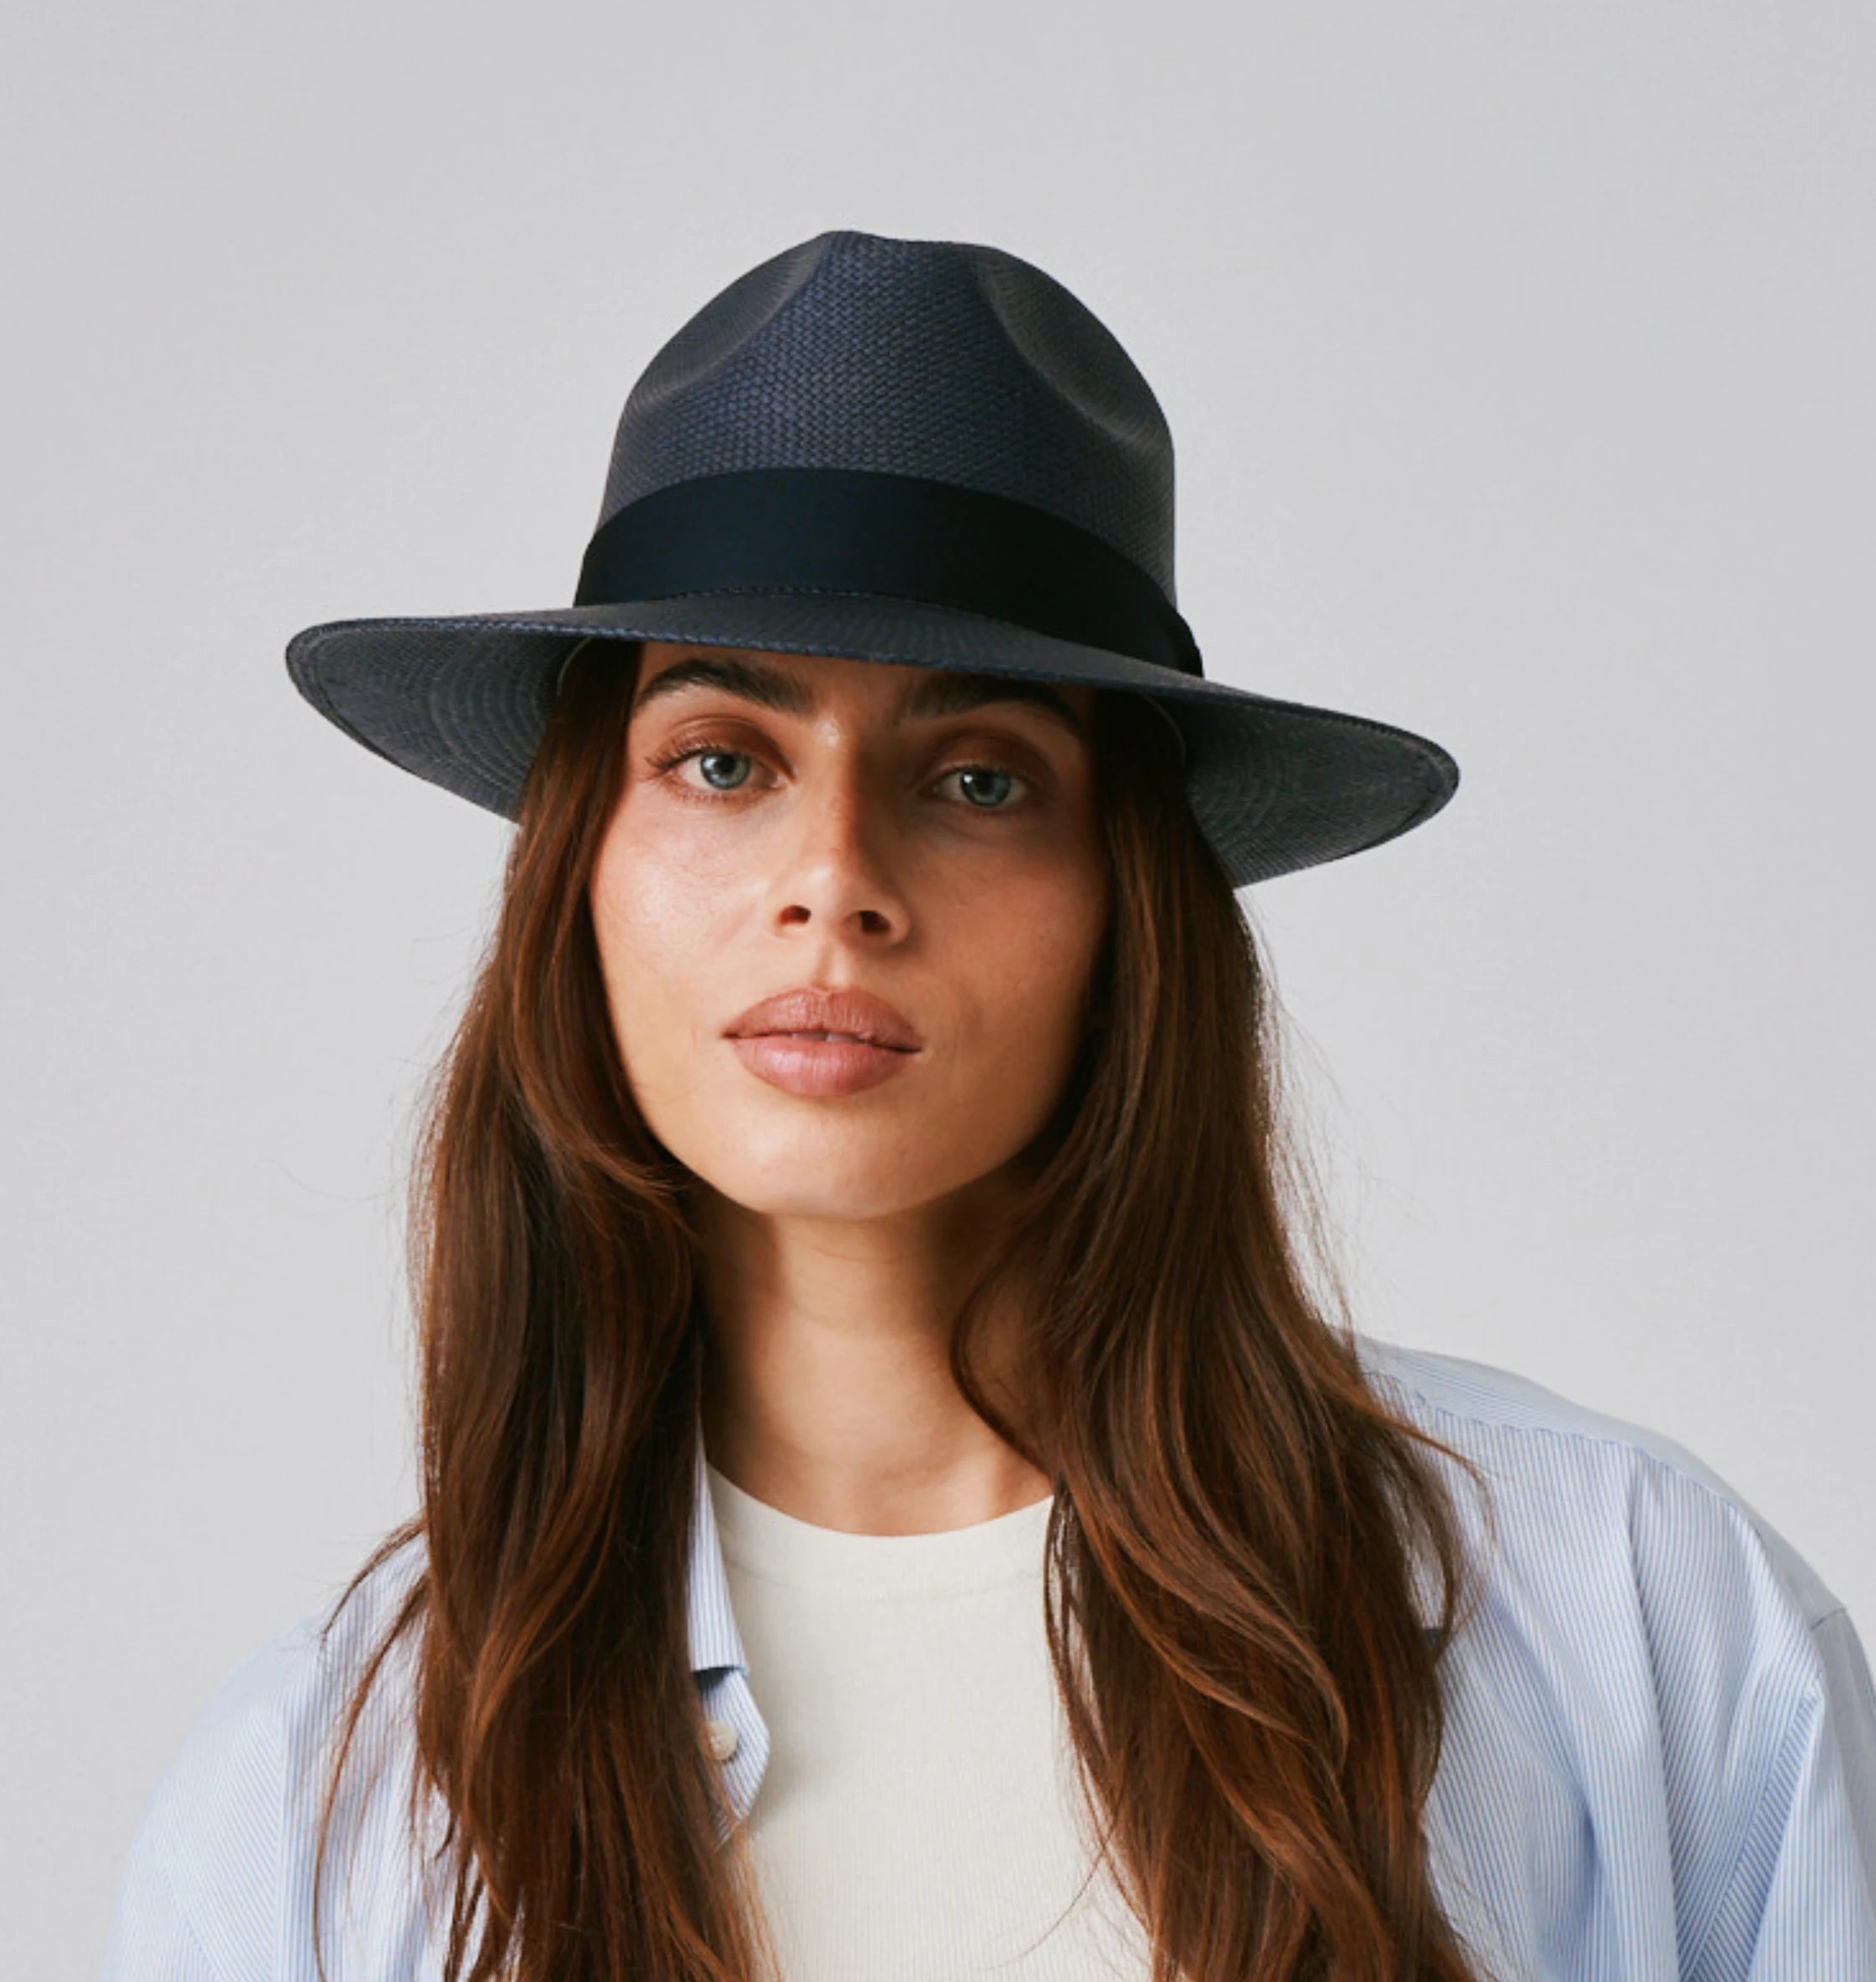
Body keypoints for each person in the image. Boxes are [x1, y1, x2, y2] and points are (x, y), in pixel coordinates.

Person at [98, 230, 1876, 1982]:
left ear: (1130, 899)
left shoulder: (1636, 1625)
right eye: (723, 758)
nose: (836, 879)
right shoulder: (317, 1809)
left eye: (977, 777)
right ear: (584, 859)